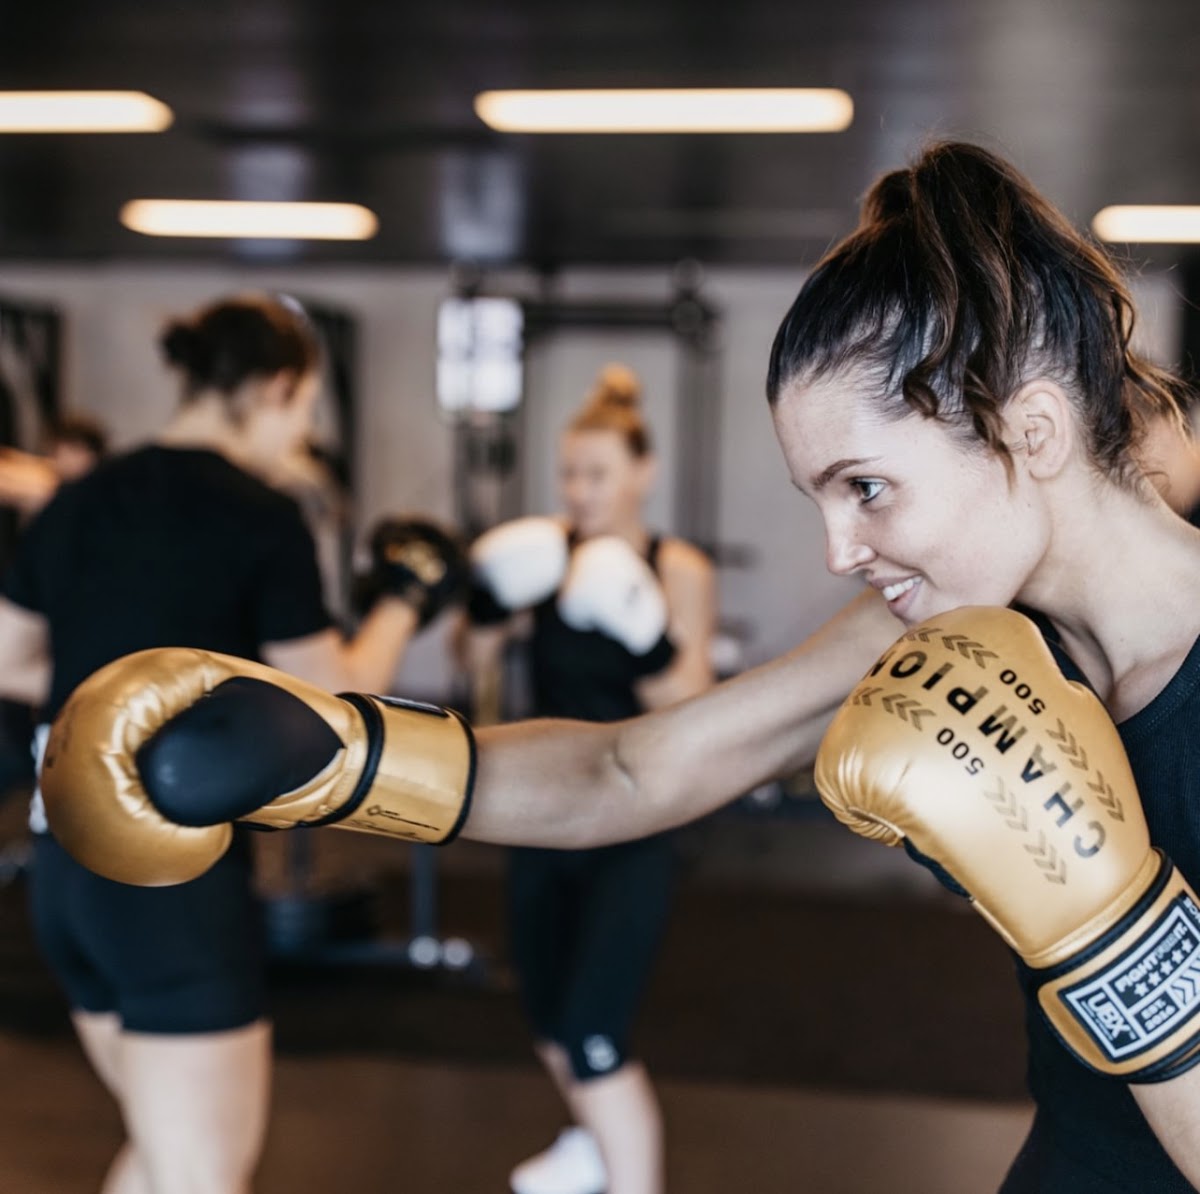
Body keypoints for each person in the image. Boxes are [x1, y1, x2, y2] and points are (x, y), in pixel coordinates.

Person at [36, 141, 1200, 1190]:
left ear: (1032, 432)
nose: (840, 550)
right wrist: (345, 756)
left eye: (867, 486)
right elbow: (634, 776)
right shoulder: (950, 627)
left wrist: (1112, 927)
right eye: (820, 498)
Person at [0, 292, 464, 1194]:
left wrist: (109, 688)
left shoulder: (79, 501)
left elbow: (9, 659)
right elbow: (332, 701)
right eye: (302, 411)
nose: (299, 434)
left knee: (163, 1153)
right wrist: (407, 599)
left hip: (66, 880)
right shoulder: (259, 513)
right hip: (170, 889)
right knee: (200, 1178)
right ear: (277, 387)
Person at [465, 364, 716, 1194]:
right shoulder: (543, 555)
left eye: (598, 473)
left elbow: (689, 703)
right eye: (571, 472)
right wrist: (487, 609)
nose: (580, 490)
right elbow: (478, 673)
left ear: (642, 474)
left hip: (639, 813)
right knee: (544, 1011)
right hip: (542, 804)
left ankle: (627, 1174)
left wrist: (643, 635)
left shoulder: (677, 567)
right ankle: (588, 1141)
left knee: (593, 1029)